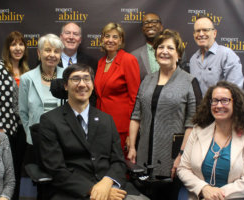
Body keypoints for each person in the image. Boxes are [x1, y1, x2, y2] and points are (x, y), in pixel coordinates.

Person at [38, 63, 149, 200]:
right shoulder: (50, 120)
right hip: (73, 191)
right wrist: (93, 190)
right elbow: (57, 170)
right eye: (75, 79)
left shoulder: (106, 119)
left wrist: (107, 183)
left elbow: (118, 161)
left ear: (92, 85)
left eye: (86, 79)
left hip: (109, 186)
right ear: (66, 86)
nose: (82, 84)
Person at [127, 29, 202, 199]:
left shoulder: (189, 81)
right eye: (160, 47)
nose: (164, 51)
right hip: (143, 156)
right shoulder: (147, 80)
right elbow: (135, 115)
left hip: (173, 158)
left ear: (178, 54)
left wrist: (182, 156)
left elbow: (193, 123)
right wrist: (132, 147)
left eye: (170, 48)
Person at [177, 81, 244, 200]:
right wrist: (204, 189)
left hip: (236, 196)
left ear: (236, 103)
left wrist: (214, 195)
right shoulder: (198, 130)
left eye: (224, 100)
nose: (218, 105)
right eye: (215, 101)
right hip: (200, 195)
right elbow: (183, 169)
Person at [0, 31, 29, 200]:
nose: (17, 48)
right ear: (8, 48)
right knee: (4, 171)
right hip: (4, 130)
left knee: (17, 169)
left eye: (20, 44)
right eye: (13, 44)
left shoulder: (27, 71)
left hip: (22, 130)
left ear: (25, 47)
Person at [95, 22, 140, 154]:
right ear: (102, 39)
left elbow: (135, 98)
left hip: (121, 128)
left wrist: (130, 134)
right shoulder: (101, 62)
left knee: (120, 168)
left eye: (115, 37)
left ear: (120, 41)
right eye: (107, 36)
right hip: (101, 126)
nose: (110, 40)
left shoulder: (128, 60)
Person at [19, 33, 64, 145]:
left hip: (62, 140)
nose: (52, 55)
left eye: (56, 51)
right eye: (48, 50)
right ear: (39, 53)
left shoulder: (67, 77)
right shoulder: (27, 79)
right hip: (37, 140)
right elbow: (23, 112)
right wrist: (30, 134)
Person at [190, 15, 244, 96]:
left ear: (214, 33)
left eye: (205, 30)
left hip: (220, 108)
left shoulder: (227, 55)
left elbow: (235, 92)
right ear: (194, 35)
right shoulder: (193, 60)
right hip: (198, 108)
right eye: (197, 31)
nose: (201, 34)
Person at [131, 13, 163, 80]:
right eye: (146, 23)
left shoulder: (176, 52)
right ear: (142, 29)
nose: (150, 25)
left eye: (154, 22)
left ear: (161, 27)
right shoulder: (134, 56)